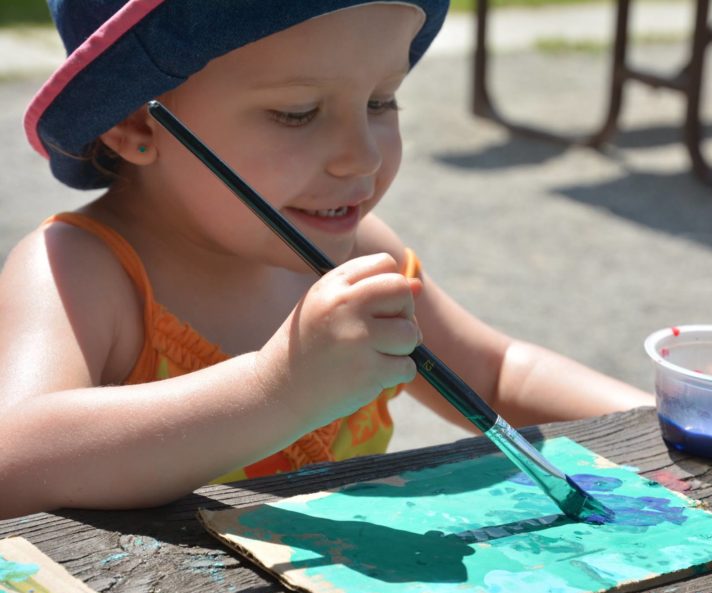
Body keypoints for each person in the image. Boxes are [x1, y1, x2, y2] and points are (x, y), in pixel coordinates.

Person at [0, 0, 654, 519]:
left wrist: (665, 426)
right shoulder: (82, 271)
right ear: (137, 127)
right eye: (297, 113)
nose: (361, 157)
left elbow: (498, 373)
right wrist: (274, 391)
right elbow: (14, 463)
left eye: (380, 101)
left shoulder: (359, 252)